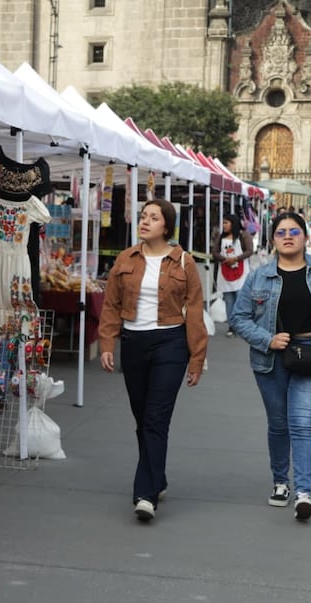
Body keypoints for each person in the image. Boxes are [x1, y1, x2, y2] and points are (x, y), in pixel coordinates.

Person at [230, 211, 311, 521]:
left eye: (294, 231)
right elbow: (239, 317)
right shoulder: (259, 276)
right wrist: (266, 339)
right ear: (272, 239)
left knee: (302, 424)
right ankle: (280, 481)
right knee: (279, 423)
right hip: (272, 359)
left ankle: (303, 493)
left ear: (305, 237)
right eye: (281, 232)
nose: (288, 236)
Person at [98, 198, 208, 522]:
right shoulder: (125, 259)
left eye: (153, 218)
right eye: (143, 216)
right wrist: (108, 342)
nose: (145, 222)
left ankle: (145, 494)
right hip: (134, 342)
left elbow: (196, 312)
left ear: (166, 226)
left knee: (156, 418)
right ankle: (156, 476)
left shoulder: (183, 262)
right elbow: (110, 305)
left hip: (170, 344)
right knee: (141, 417)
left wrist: (196, 358)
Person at [212, 213, 254, 336]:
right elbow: (215, 252)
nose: (224, 225)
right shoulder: (221, 237)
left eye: (226, 223)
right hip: (225, 271)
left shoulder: (243, 235)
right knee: (229, 300)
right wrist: (224, 259)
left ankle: (241, 324)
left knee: (240, 299)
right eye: (223, 223)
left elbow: (250, 250)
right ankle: (232, 326)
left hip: (241, 272)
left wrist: (236, 258)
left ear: (233, 223)